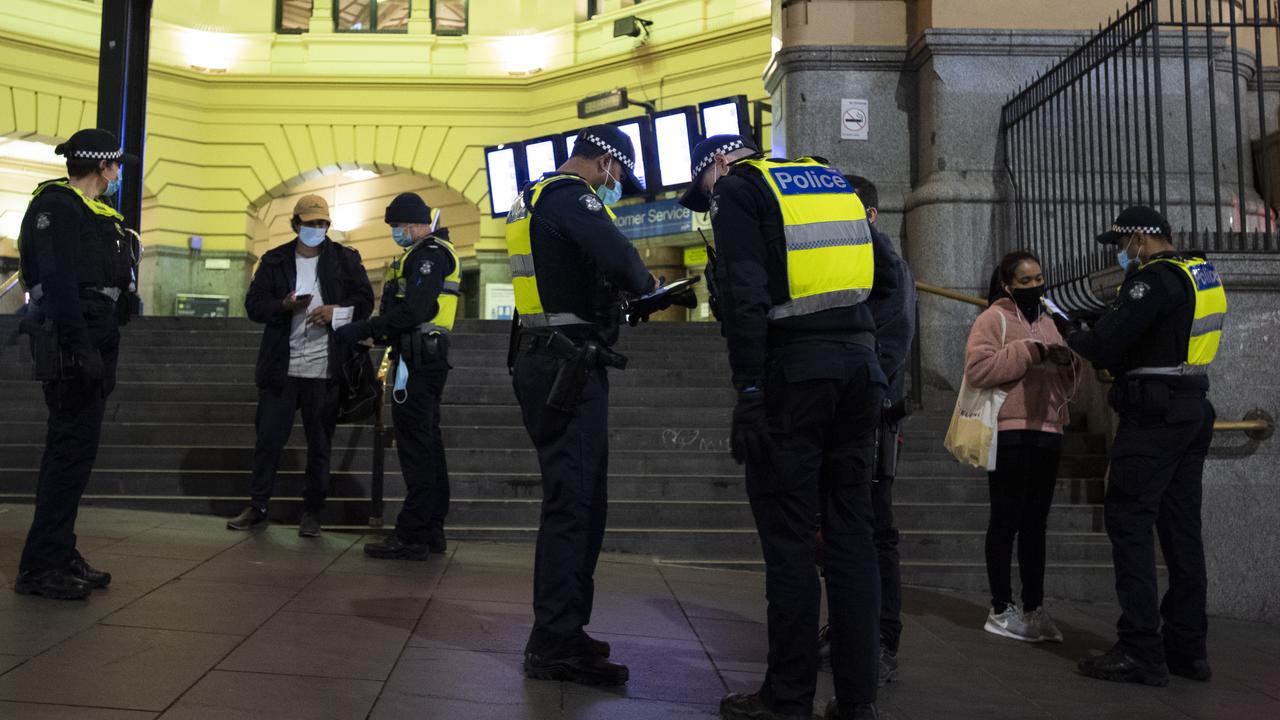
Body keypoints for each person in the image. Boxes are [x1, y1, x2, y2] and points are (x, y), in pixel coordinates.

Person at [680, 135, 889, 720]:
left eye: (703, 190)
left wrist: (748, 390)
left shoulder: (741, 190)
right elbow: (890, 278)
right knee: (852, 540)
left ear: (719, 164)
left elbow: (747, 298)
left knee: (791, 543)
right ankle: (856, 701)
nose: (707, 201)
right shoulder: (828, 179)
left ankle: (788, 699)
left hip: (795, 377)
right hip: (859, 368)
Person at [504, 125, 656, 686]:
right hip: (568, 365)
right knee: (576, 504)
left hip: (542, 357)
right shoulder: (573, 196)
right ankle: (553, 642)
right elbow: (619, 257)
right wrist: (645, 285)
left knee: (576, 498)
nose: (616, 185)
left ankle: (566, 630)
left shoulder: (531, 197)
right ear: (604, 163)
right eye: (617, 175)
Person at [1056, 206, 1224, 686]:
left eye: (1121, 243)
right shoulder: (1200, 273)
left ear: (1140, 239)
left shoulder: (1150, 280)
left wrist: (1072, 332)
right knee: (1181, 530)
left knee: (1129, 522)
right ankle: (1188, 649)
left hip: (1154, 414)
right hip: (1192, 403)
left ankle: (1139, 649)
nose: (1119, 253)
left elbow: (1106, 346)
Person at [14, 128, 140, 600]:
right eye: (116, 164)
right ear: (103, 166)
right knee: (68, 453)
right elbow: (60, 282)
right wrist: (81, 346)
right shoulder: (58, 206)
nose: (119, 171)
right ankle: (40, 566)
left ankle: (59, 552)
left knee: (77, 455)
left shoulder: (93, 211)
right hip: (72, 340)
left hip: (94, 335)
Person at [817, 176, 917, 686]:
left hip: (874, 414)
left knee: (876, 530)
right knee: (845, 529)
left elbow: (889, 342)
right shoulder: (850, 260)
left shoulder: (888, 265)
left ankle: (880, 638)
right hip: (852, 411)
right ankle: (850, 628)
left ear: (870, 215)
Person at [229, 194, 374, 536]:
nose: (316, 229)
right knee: (268, 440)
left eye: (322, 224)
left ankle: (312, 511)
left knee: (320, 443)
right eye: (310, 224)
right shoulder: (276, 259)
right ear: (296, 224)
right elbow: (253, 306)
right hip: (282, 367)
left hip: (325, 368)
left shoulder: (344, 259)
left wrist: (335, 312)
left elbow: (364, 302)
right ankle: (258, 504)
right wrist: (283, 305)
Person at [964, 251, 1078, 643]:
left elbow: (1067, 383)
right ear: (1008, 284)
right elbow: (978, 369)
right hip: (1009, 429)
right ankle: (1000, 607)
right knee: (1006, 518)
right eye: (1025, 281)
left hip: (1047, 429)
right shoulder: (992, 318)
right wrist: (1030, 351)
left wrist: (1066, 361)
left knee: (1035, 524)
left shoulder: (1052, 322)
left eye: (1039, 279)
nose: (1034, 287)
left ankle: (1034, 608)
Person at [338, 193, 459, 559]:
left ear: (417, 224)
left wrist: (361, 329)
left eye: (399, 226)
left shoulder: (428, 256)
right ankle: (431, 530)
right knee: (428, 446)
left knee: (417, 448)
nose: (396, 233)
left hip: (420, 362)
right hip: (420, 358)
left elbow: (414, 311)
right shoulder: (426, 254)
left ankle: (412, 535)